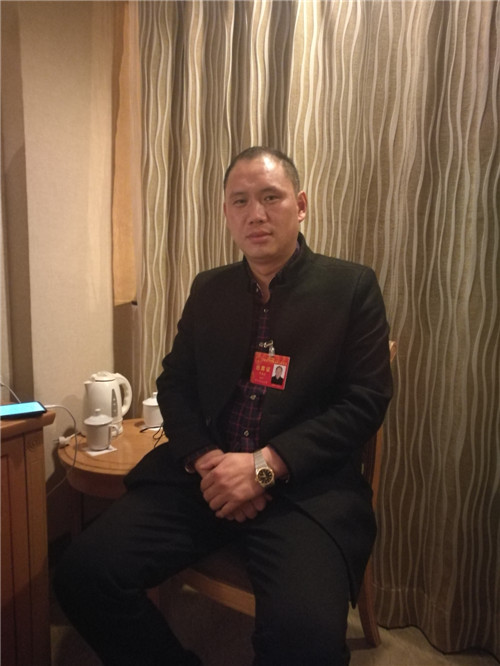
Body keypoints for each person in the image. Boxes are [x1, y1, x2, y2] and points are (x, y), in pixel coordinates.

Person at [54, 147, 393, 666]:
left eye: (271, 198)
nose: (255, 213)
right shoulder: (210, 288)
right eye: (240, 201)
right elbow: (175, 382)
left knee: (306, 642)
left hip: (302, 490)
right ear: (227, 214)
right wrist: (207, 459)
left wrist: (265, 466)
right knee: (83, 574)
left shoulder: (351, 287)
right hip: (204, 478)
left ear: (301, 205)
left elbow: (364, 403)